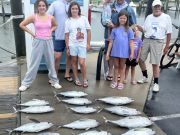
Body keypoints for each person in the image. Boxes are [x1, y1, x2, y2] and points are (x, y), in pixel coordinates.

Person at [19, 0, 62, 91]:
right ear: (37, 7)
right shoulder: (34, 17)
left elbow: (56, 25)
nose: (42, 7)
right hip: (38, 41)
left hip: (49, 41)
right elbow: (22, 25)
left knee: (51, 62)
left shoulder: (51, 17)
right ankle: (26, 83)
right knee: (34, 63)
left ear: (46, 7)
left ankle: (54, 81)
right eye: (40, 5)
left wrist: (50, 31)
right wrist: (32, 33)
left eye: (43, 5)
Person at [137, 0, 172, 92]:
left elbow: (169, 33)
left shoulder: (166, 17)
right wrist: (137, 27)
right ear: (152, 7)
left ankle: (156, 83)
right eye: (155, 7)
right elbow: (144, 30)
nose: (157, 8)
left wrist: (167, 46)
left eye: (158, 6)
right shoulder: (149, 17)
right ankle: (145, 76)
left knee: (155, 63)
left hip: (158, 41)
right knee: (140, 59)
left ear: (161, 7)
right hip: (146, 39)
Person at [102, 0, 137, 81]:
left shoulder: (129, 9)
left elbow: (134, 24)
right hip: (110, 35)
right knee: (110, 53)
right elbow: (103, 21)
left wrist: (125, 31)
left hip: (123, 39)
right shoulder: (110, 6)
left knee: (122, 55)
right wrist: (108, 24)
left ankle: (119, 74)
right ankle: (110, 71)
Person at [65, 2, 91, 88]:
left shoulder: (83, 18)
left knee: (82, 62)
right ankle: (76, 78)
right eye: (73, 9)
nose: (74, 10)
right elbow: (67, 35)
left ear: (78, 9)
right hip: (72, 44)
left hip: (82, 44)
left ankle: (84, 79)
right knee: (74, 62)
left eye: (76, 8)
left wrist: (88, 43)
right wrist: (67, 47)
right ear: (70, 10)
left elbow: (88, 31)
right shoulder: (68, 21)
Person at [106, 10, 134, 90]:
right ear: (118, 18)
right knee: (116, 66)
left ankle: (121, 82)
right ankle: (115, 81)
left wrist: (132, 53)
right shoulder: (115, 29)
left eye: (124, 18)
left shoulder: (129, 30)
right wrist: (108, 53)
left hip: (124, 53)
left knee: (122, 67)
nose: (122, 20)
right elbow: (111, 42)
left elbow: (131, 42)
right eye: (121, 18)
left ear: (127, 19)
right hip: (115, 52)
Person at [47, 0, 73, 82]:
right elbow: (47, 16)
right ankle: (54, 76)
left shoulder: (73, 4)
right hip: (59, 35)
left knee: (69, 56)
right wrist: (52, 27)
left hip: (72, 36)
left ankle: (67, 74)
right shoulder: (55, 4)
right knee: (57, 57)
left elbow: (78, 16)